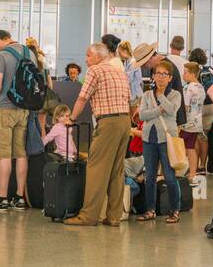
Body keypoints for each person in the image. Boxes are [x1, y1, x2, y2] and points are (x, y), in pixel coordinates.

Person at [65, 43, 133, 227]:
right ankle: (114, 216)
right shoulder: (119, 72)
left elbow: (82, 97)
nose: (86, 59)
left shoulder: (95, 71)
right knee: (116, 170)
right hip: (124, 122)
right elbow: (129, 98)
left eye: (88, 56)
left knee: (96, 168)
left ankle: (88, 216)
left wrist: (71, 118)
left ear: (98, 56)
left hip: (108, 122)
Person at [0, 29, 33, 211]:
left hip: (4, 109)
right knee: (20, 153)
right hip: (24, 109)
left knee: (3, 153)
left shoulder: (1, 55)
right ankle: (20, 198)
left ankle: (2, 198)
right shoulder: (29, 53)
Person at [134, 60, 183, 223]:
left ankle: (175, 210)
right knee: (150, 176)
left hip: (167, 139)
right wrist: (159, 109)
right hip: (149, 138)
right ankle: (150, 210)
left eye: (164, 74)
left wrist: (161, 97)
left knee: (169, 176)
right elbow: (142, 115)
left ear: (170, 77)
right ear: (153, 76)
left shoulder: (176, 94)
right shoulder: (147, 94)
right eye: (157, 73)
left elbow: (171, 110)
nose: (160, 77)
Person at [189, 48, 213, 173]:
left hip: (198, 106)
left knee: (196, 136)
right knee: (204, 136)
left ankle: (194, 166)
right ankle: (203, 166)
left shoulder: (193, 70)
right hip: (211, 106)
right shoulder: (210, 69)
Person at [182, 62, 206, 181]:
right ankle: (193, 173)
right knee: (190, 147)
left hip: (187, 123)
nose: (183, 75)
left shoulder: (189, 87)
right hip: (197, 122)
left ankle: (179, 170)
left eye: (185, 72)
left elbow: (185, 106)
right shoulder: (200, 87)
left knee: (180, 146)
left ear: (192, 74)